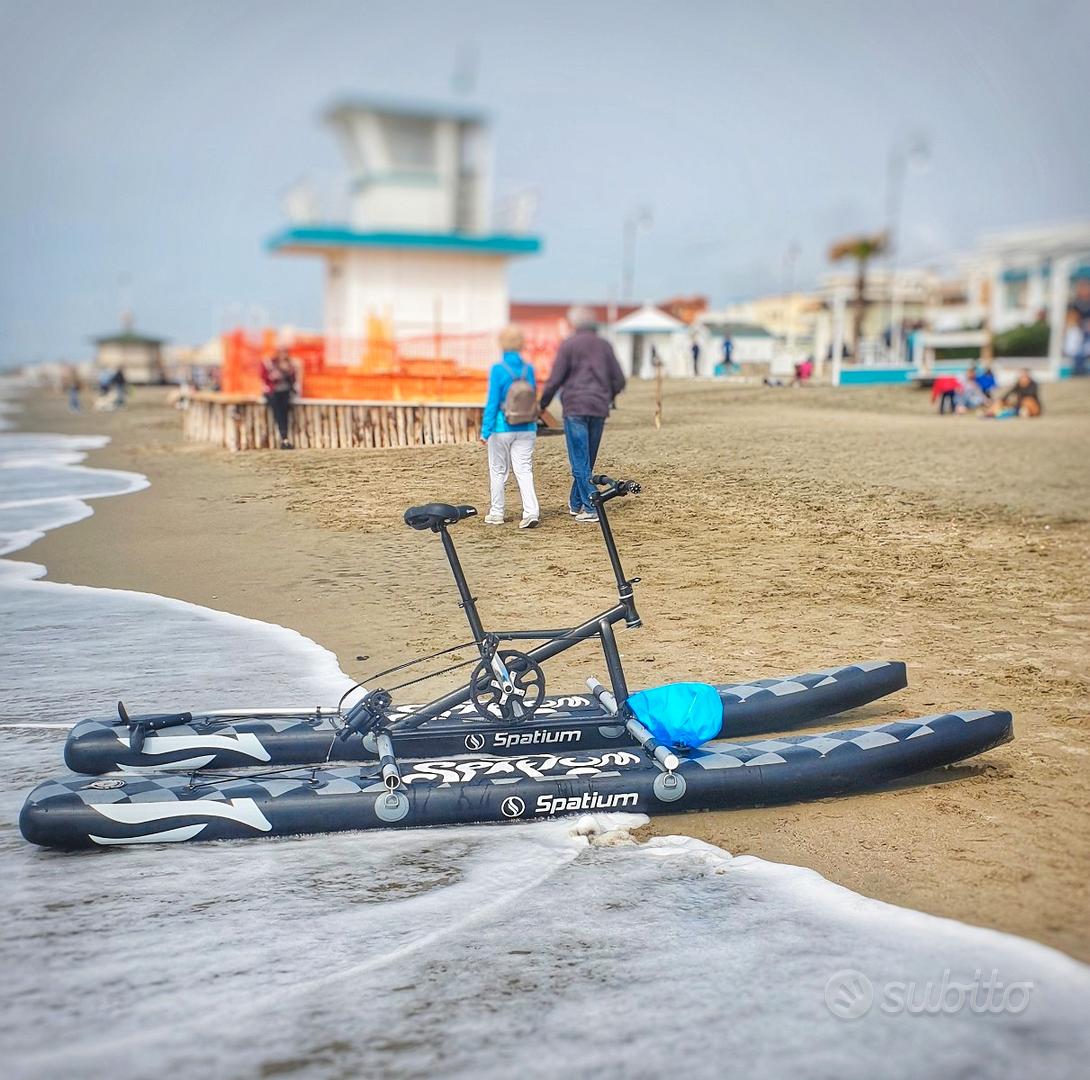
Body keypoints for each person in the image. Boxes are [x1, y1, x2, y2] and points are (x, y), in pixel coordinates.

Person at [539, 306, 626, 523]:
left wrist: (542, 404)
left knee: (579, 460)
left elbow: (555, 379)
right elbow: (619, 380)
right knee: (586, 458)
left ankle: (590, 506)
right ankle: (576, 503)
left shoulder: (569, 345)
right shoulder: (604, 345)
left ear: (574, 325)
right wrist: (607, 396)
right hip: (598, 407)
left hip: (576, 406)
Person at [480, 325, 540, 529]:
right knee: (524, 470)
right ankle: (531, 512)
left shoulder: (498, 370)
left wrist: (485, 431)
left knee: (498, 470)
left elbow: (493, 402)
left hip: (502, 426)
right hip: (527, 427)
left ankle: (497, 512)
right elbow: (533, 397)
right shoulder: (528, 369)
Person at [262, 349, 297, 449]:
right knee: (279, 415)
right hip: (274, 394)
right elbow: (265, 378)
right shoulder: (270, 365)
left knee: (284, 416)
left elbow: (293, 380)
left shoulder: (289, 366)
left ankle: (285, 439)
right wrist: (272, 377)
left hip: (285, 393)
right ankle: (283, 439)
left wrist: (289, 372)